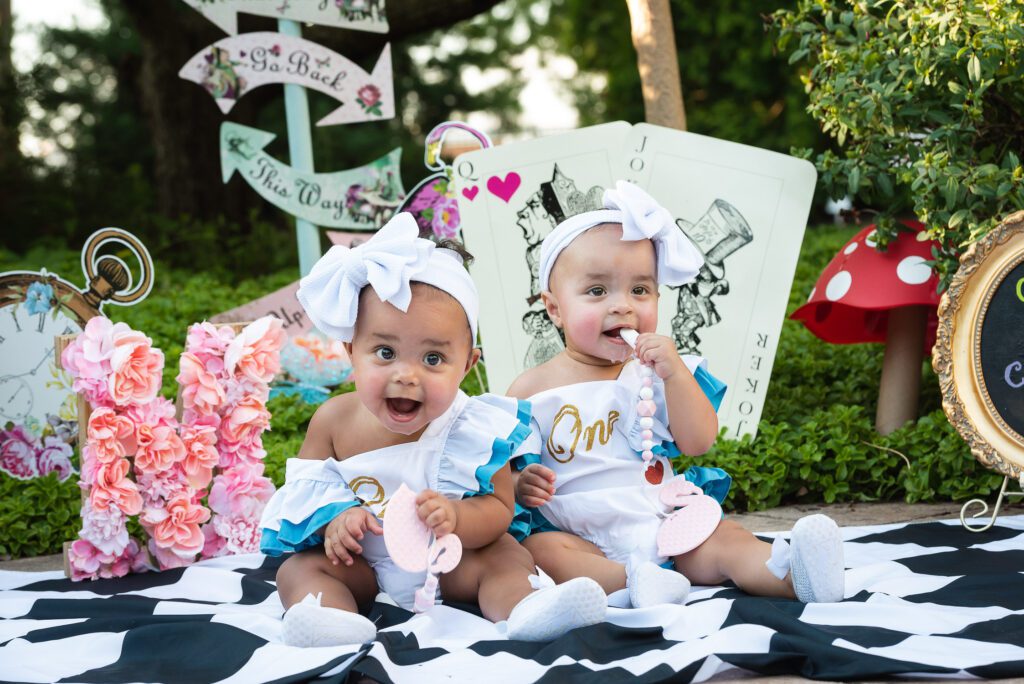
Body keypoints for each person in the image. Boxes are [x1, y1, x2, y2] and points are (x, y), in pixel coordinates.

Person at [260, 214, 607, 647]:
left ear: (467, 365)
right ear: (351, 351)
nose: (406, 376)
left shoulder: (475, 427)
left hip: (454, 559)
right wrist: (335, 519)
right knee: (300, 569)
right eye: (385, 352)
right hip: (364, 566)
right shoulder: (333, 421)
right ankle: (332, 619)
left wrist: (458, 516)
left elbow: (499, 508)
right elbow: (306, 491)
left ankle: (524, 608)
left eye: (432, 359)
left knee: (505, 556)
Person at [508, 181, 845, 609]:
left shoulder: (654, 372)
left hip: (660, 518)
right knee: (543, 553)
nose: (623, 306)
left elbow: (698, 441)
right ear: (555, 308)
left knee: (725, 538)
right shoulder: (532, 389)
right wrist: (521, 484)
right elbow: (507, 473)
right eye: (597, 291)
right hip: (576, 532)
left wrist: (678, 375)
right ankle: (635, 582)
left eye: (640, 290)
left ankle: (794, 574)